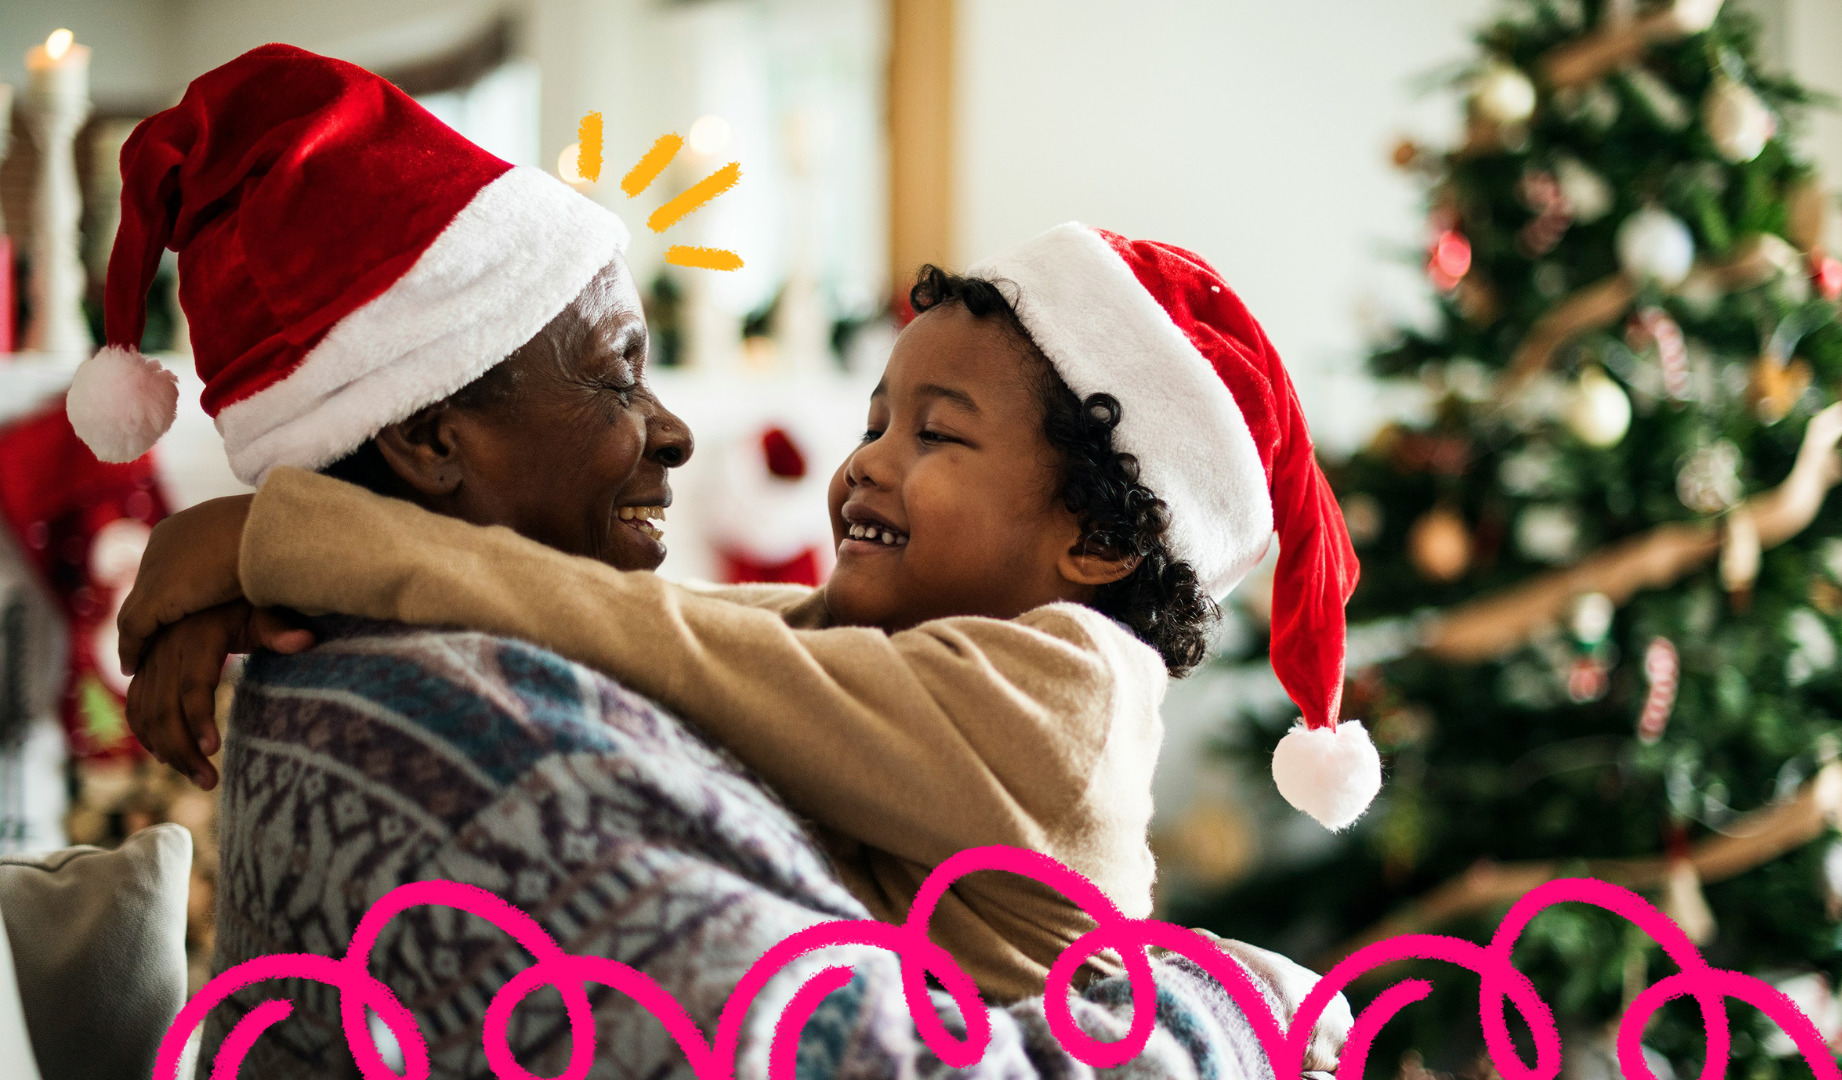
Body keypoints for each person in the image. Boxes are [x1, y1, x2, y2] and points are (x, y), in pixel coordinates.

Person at [102, 50, 1367, 1015]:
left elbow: (661, 640)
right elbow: (675, 631)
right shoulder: (884, 661)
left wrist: (283, 536)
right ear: (429, 440)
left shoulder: (1064, 695)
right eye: (876, 419)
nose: (867, 462)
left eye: (937, 434)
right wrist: (280, 573)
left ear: (1094, 541)